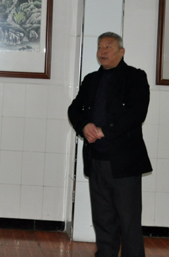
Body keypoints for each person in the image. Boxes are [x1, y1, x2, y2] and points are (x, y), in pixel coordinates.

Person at [67, 32, 152, 257]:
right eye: (99, 47)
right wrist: (84, 126)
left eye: (108, 47)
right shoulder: (91, 80)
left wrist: (106, 130)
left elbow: (136, 113)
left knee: (128, 221)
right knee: (103, 219)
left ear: (121, 52)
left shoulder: (135, 77)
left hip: (124, 162)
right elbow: (74, 109)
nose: (102, 51)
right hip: (96, 160)